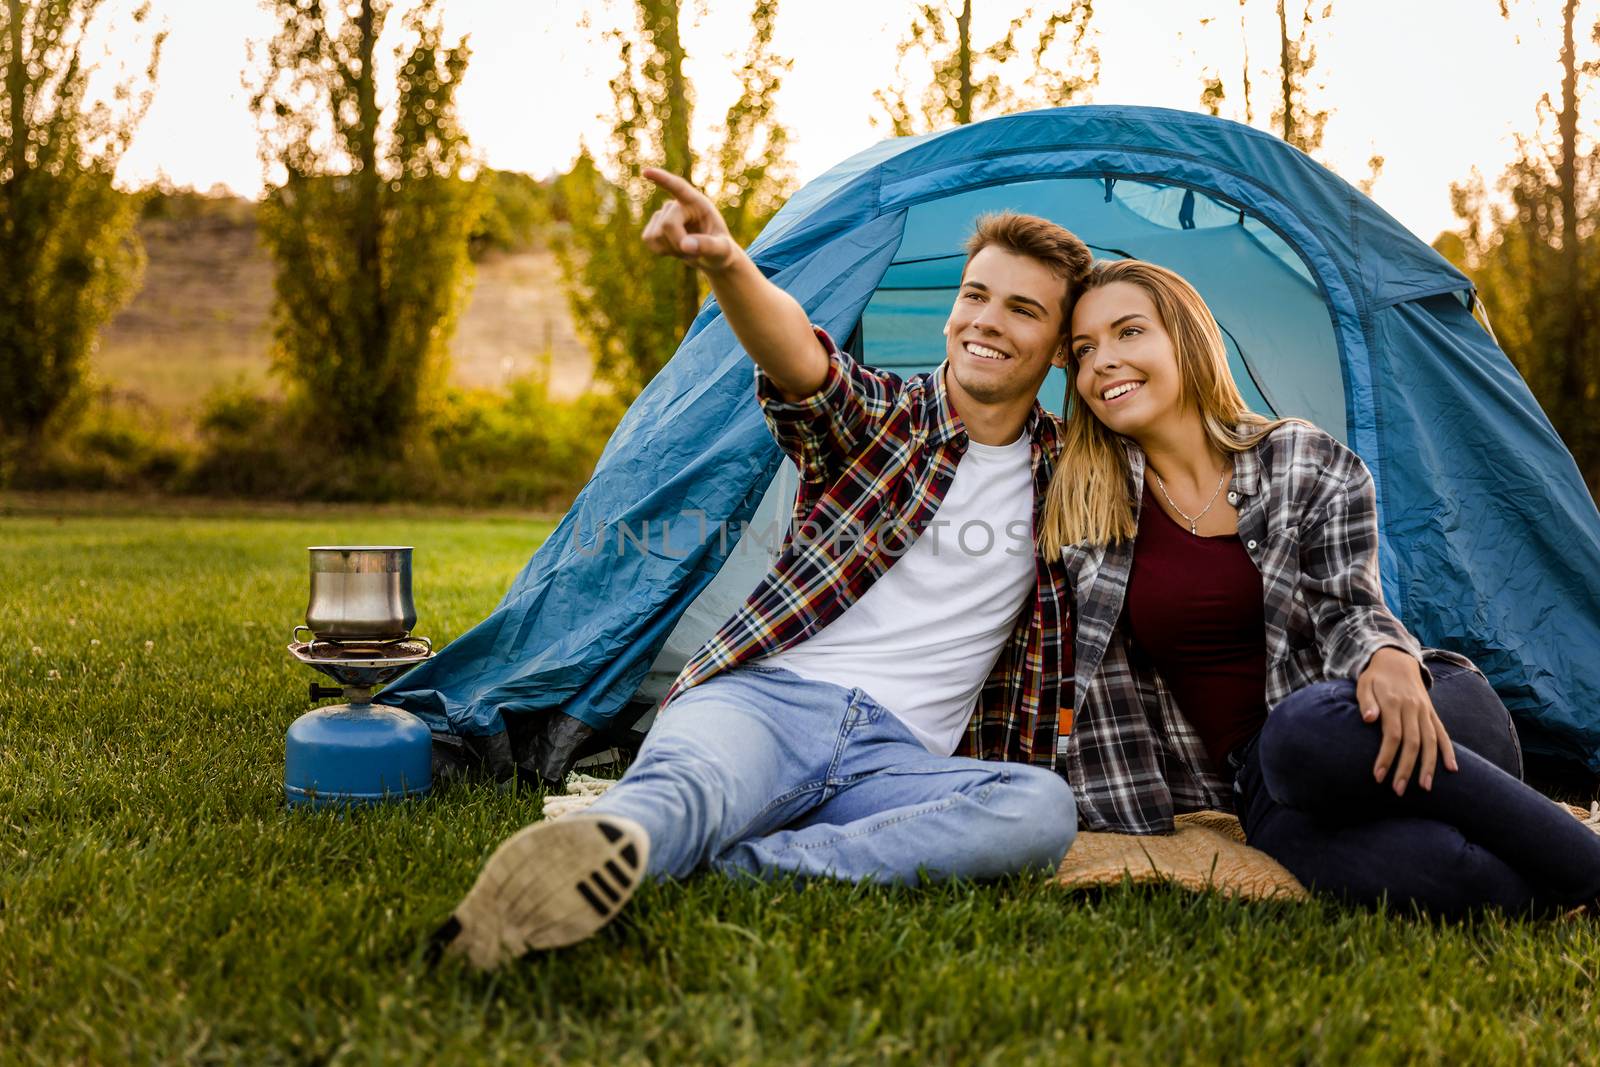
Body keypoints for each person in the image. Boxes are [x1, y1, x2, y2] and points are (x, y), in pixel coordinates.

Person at [431, 170, 1091, 969]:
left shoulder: (1073, 470)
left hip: (899, 759)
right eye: (975, 294)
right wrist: (726, 263)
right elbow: (805, 362)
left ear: (1059, 347)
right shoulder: (887, 418)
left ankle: (740, 865)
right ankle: (600, 853)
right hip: (765, 704)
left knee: (1039, 808)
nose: (986, 320)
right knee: (691, 787)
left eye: (1022, 308)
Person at [1041, 257, 1600, 918]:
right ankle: (1547, 861)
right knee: (1442, 872)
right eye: (1082, 351)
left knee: (1304, 729)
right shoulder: (1084, 506)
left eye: (1129, 332)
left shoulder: (1301, 458)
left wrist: (1387, 657)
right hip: (1272, 784)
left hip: (1404, 703)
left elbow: (1351, 604)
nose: (1103, 360)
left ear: (1186, 339)